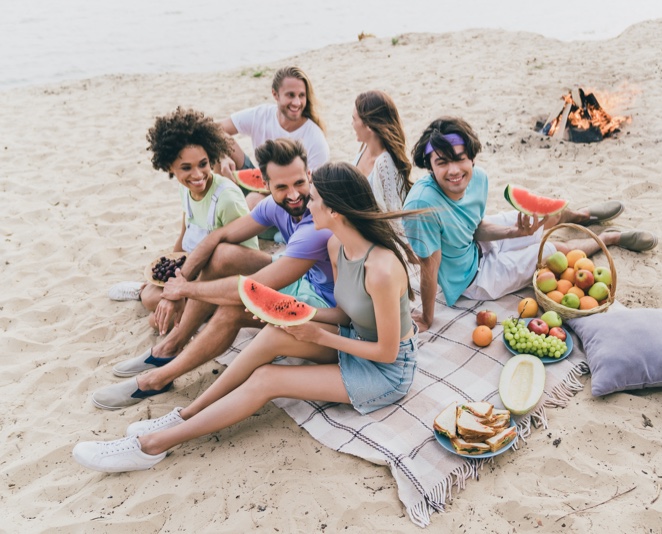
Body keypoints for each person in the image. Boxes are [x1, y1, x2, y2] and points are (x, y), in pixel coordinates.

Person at [73, 162, 420, 472]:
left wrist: (320, 336)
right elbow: (346, 312)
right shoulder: (336, 246)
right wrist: (302, 317)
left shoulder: (382, 270)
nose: (307, 203)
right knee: (272, 335)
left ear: (335, 210)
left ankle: (153, 446)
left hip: (386, 372)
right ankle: (185, 414)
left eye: (313, 198)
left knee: (268, 378)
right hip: (355, 341)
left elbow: (387, 353)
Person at [91, 138, 336, 410]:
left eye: (299, 183)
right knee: (222, 254)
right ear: (266, 185)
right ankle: (171, 346)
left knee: (231, 311)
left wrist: (184, 291)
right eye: (281, 187)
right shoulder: (273, 206)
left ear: (309, 175)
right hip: (303, 281)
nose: (293, 194)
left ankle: (157, 379)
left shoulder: (316, 226)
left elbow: (250, 289)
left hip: (327, 311)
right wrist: (178, 282)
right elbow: (219, 236)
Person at [402, 117, 658, 332]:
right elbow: (429, 267)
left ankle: (582, 216)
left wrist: (514, 233)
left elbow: (474, 227)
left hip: (475, 244)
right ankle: (611, 238)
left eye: (460, 158)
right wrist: (426, 318)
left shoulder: (478, 179)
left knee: (543, 216)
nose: (454, 170)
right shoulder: (422, 206)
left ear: (472, 158)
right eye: (442, 162)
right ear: (429, 167)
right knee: (554, 250)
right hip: (475, 278)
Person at [107, 108, 259, 330]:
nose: (197, 175)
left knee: (153, 304)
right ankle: (146, 290)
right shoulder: (185, 190)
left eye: (203, 164)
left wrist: (186, 288)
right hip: (194, 269)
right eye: (186, 168)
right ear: (170, 167)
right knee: (151, 294)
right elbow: (184, 232)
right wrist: (171, 270)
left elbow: (238, 258)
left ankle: (199, 312)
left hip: (221, 278)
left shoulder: (226, 198)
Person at [218, 66, 330, 209]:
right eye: (290, 95)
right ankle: (220, 204)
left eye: (301, 95)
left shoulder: (315, 139)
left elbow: (313, 192)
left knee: (253, 201)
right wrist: (222, 156)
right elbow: (216, 128)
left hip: (290, 196)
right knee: (222, 144)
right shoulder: (261, 115)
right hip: (264, 180)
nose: (297, 102)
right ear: (275, 94)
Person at [351, 90, 413, 213]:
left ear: (369, 126)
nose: (352, 124)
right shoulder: (365, 147)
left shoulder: (385, 164)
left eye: (354, 119)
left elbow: (394, 218)